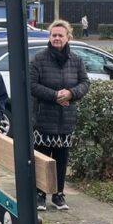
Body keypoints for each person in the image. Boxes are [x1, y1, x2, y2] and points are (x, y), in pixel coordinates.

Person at [29, 20, 90, 211]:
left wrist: (71, 94)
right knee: (42, 157)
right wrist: (55, 96)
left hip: (66, 119)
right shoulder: (39, 59)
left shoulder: (76, 60)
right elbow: (31, 85)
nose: (56, 38)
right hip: (43, 119)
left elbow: (85, 83)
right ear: (49, 37)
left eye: (60, 35)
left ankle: (59, 194)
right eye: (53, 35)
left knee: (62, 159)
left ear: (68, 37)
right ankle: (39, 194)